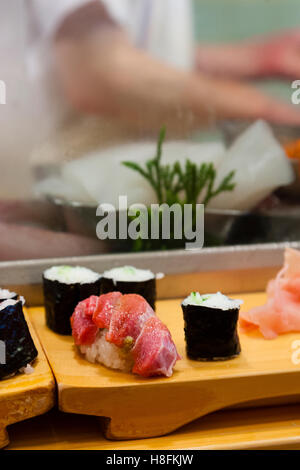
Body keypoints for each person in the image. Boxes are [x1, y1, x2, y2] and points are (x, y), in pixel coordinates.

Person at [1, 0, 300, 260]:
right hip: (46, 212)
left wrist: (254, 60)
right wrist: (273, 120)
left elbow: (124, 51)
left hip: (98, 218)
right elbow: (100, 73)